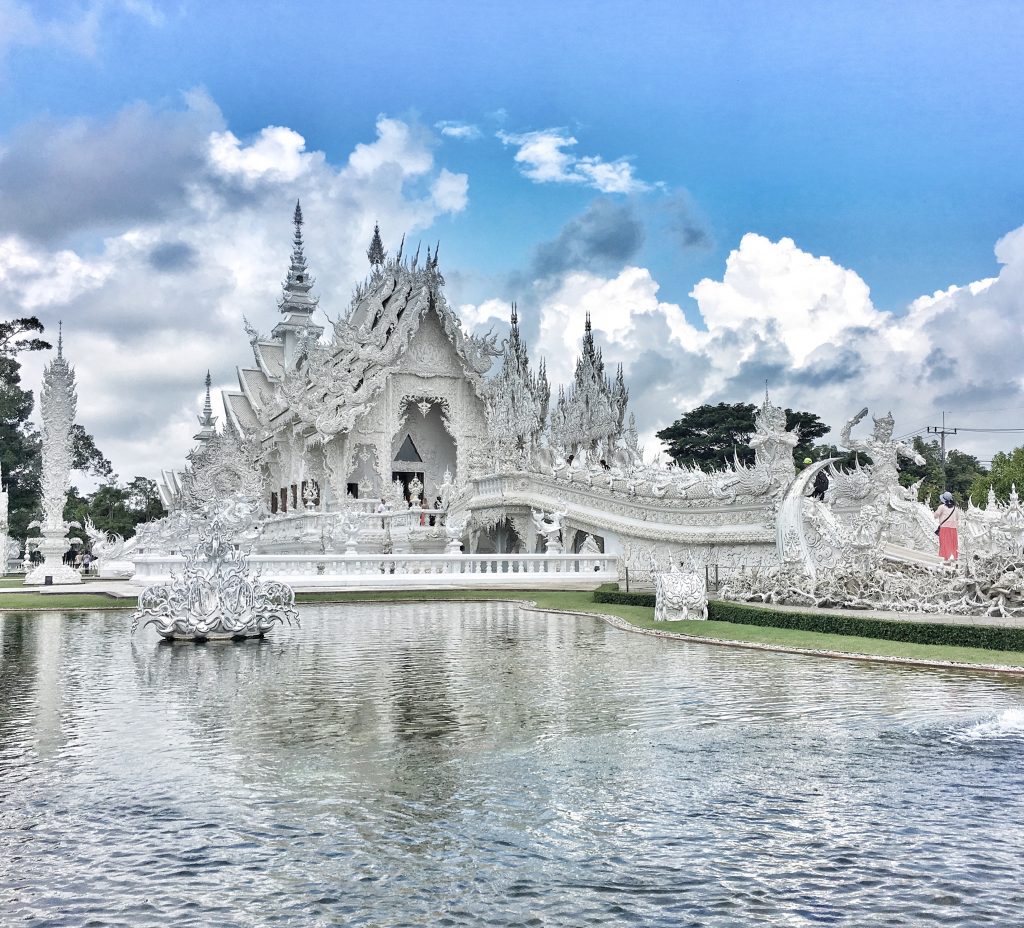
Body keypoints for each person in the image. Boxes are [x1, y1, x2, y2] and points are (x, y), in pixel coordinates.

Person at [934, 491, 959, 560]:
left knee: (944, 544)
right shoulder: (955, 508)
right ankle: (953, 559)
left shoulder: (942, 507)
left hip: (944, 528)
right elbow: (957, 518)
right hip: (953, 529)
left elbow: (935, 516)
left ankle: (943, 559)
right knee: (953, 545)